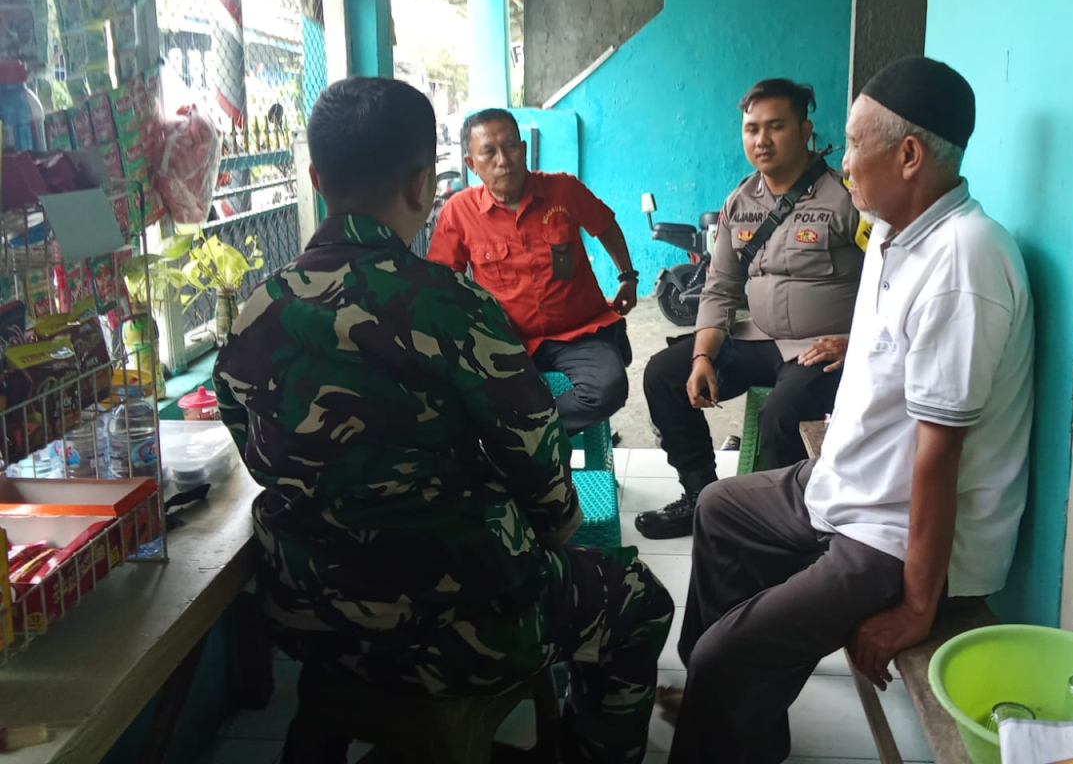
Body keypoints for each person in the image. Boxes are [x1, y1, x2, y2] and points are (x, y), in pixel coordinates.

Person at [214, 78, 672, 764]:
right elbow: (540, 470)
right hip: (467, 622)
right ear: (424, 183)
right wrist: (550, 534)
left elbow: (256, 456)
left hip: (315, 619)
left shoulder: (257, 312)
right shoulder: (452, 305)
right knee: (637, 601)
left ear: (316, 179)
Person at [660, 57, 1035, 764]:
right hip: (848, 485)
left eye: (856, 144)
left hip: (892, 534)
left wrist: (916, 607)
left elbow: (939, 455)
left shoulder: (963, 263)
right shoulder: (895, 231)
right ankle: (733, 707)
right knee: (719, 508)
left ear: (910, 155)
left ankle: (723, 683)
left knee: (722, 656)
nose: (844, 162)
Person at [635, 79, 865, 540]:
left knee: (780, 416)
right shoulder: (739, 203)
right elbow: (720, 287)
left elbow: (890, 280)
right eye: (752, 128)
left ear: (805, 131)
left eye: (776, 127)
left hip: (822, 348)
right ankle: (701, 497)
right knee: (663, 374)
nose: (762, 140)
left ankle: (779, 529)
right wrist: (703, 356)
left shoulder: (847, 199)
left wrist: (856, 344)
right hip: (758, 337)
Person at [428, 109, 638, 436]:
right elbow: (441, 282)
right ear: (471, 164)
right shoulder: (459, 211)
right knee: (453, 394)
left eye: (511, 146)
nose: (503, 160)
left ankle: (518, 433)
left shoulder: (563, 190)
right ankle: (524, 437)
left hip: (579, 333)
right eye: (489, 151)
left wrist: (627, 277)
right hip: (506, 341)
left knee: (608, 388)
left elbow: (605, 225)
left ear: (524, 149)